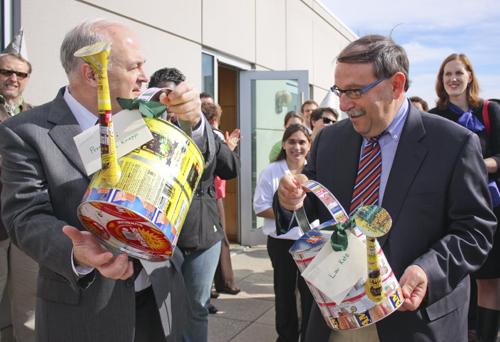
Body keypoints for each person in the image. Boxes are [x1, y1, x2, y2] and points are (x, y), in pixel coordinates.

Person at [275, 35, 496, 341]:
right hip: (339, 318)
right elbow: (307, 203)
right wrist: (289, 198)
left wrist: (428, 272)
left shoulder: (454, 144)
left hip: (415, 322)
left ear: (396, 85)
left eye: (354, 91)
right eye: (340, 91)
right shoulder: (330, 140)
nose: (343, 104)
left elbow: (475, 230)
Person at [0, 19, 202, 342]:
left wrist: (195, 121)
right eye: (134, 66)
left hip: (159, 301)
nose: (144, 76)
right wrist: (76, 250)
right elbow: (24, 218)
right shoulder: (26, 132)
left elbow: (199, 168)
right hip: (85, 315)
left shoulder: (146, 115)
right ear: (92, 73)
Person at [150, 70, 239, 341]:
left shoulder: (204, 129)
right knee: (157, 311)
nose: (170, 102)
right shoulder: (141, 128)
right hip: (159, 233)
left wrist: (202, 127)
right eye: (162, 96)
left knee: (195, 308)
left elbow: (231, 167)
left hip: (203, 233)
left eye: (174, 95)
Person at [429, 53, 500, 342]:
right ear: (441, 80)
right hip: (450, 208)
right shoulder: (434, 117)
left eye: (458, 73)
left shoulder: (490, 111)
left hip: (490, 207)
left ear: (469, 76)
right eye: (447, 74)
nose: (453, 79)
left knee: (489, 280)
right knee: (454, 278)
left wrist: (476, 165)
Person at [254, 123, 314, 342]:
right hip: (282, 243)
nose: (296, 147)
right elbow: (260, 207)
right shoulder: (271, 171)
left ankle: (309, 334)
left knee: (310, 294)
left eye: (302, 142)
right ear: (283, 144)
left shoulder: (314, 170)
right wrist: (288, 213)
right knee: (285, 293)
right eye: (292, 142)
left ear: (309, 145)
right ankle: (286, 337)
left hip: (311, 242)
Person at [0, 37, 37, 342]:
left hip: (26, 226)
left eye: (20, 74)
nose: (13, 78)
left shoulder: (35, 117)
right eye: (6, 72)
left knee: (28, 311)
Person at [201, 101, 240, 298]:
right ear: (215, 119)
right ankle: (225, 282)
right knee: (219, 238)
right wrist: (230, 148)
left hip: (212, 193)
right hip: (214, 194)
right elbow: (228, 166)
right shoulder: (214, 136)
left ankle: (211, 285)